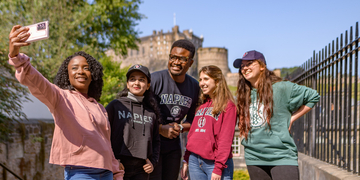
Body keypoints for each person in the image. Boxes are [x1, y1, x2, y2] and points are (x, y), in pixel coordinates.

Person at [8, 25, 123, 180]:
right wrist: (16, 56)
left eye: (86, 68)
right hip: (81, 173)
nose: (80, 71)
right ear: (67, 75)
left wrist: (116, 172)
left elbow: (106, 145)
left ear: (93, 74)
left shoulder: (99, 107)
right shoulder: (60, 97)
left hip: (107, 173)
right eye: (74, 68)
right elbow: (37, 81)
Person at [233, 50, 320, 180]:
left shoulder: (282, 88)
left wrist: (291, 119)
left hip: (281, 156)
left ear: (262, 66)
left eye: (249, 63)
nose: (245, 68)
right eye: (242, 66)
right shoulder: (243, 94)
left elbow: (313, 96)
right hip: (254, 157)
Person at [149, 39, 200, 180]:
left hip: (174, 148)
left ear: (190, 63)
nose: (176, 62)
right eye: (173, 57)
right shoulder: (154, 80)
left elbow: (193, 120)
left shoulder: (195, 87)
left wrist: (180, 127)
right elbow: (138, 114)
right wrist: (160, 129)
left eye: (182, 59)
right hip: (152, 146)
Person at [180, 65, 237, 180]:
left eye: (206, 79)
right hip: (194, 160)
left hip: (215, 163)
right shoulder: (201, 106)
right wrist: (186, 159)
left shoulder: (228, 106)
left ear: (217, 81)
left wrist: (218, 167)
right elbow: (192, 135)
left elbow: (225, 139)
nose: (201, 83)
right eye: (200, 80)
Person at [106, 64, 161, 180]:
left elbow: (156, 141)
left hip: (142, 169)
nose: (136, 83)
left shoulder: (151, 113)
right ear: (127, 84)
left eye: (141, 80)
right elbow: (103, 134)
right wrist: (113, 160)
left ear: (148, 85)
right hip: (119, 167)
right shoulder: (115, 106)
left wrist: (153, 162)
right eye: (132, 79)